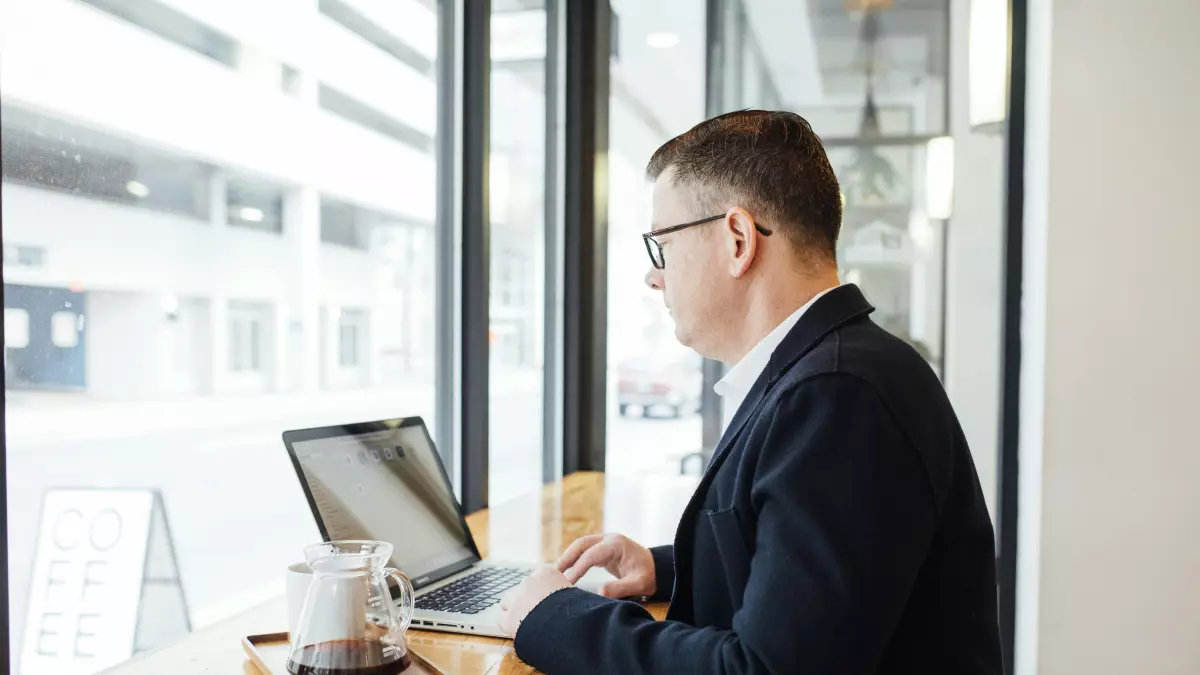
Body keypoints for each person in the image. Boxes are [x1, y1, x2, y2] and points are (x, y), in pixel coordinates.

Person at [498, 110, 1003, 674]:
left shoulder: (839, 395)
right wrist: (667, 568)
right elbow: (815, 576)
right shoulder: (835, 370)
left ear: (738, 239)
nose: (654, 276)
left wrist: (556, 617)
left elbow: (764, 669)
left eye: (662, 246)